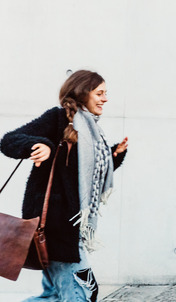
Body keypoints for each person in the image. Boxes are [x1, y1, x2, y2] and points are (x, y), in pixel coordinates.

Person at [1, 70, 129, 302]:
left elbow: (80, 174)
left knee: (56, 297)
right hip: (55, 227)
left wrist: (114, 156)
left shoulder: (92, 130)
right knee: (81, 295)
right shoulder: (57, 118)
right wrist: (40, 144)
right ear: (82, 93)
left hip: (71, 228)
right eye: (99, 93)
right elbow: (9, 141)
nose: (105, 99)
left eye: (105, 93)